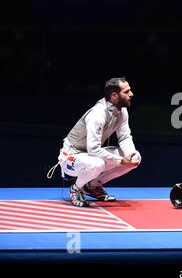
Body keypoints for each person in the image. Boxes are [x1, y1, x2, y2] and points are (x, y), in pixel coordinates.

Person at [50, 77, 142, 207]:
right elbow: (93, 149)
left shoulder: (122, 111)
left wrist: (129, 156)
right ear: (114, 95)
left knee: (135, 156)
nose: (131, 94)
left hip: (89, 155)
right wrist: (121, 161)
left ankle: (92, 186)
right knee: (97, 163)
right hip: (71, 156)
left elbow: (125, 137)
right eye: (127, 92)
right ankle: (76, 189)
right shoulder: (98, 114)